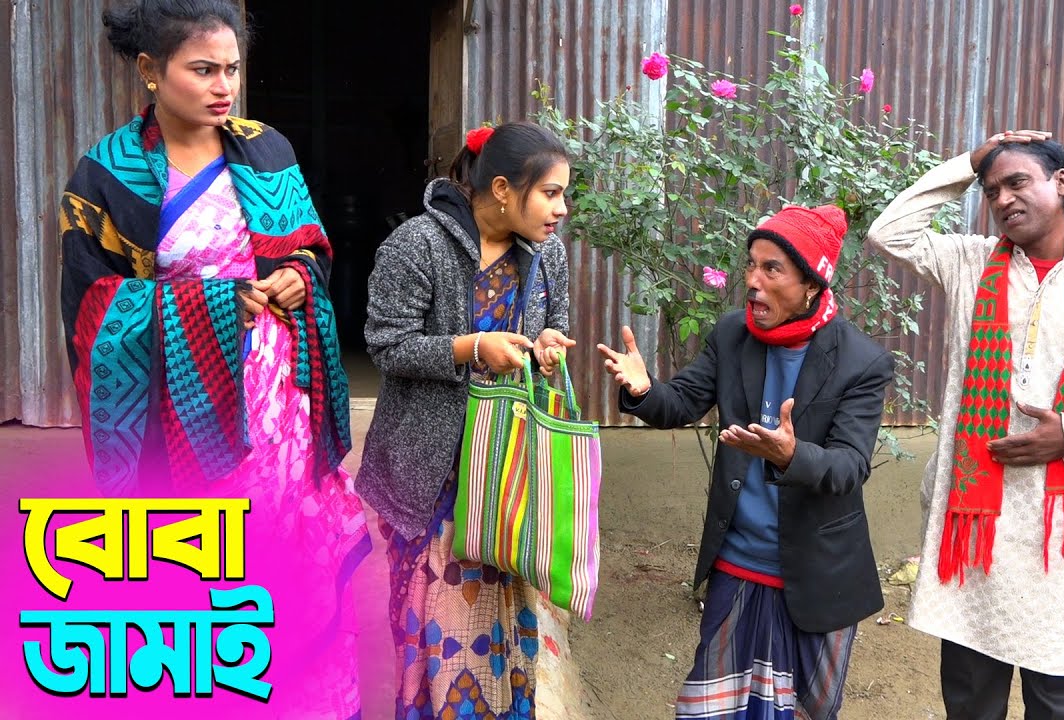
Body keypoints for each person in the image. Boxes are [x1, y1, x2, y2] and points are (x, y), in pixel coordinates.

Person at [60, 1, 369, 716]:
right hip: (182, 407)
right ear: (149, 71)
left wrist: (299, 271)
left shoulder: (265, 148)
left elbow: (309, 243)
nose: (222, 85)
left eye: (230, 69)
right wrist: (208, 306)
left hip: (279, 399)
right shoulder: (106, 175)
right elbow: (92, 310)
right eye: (202, 70)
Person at [865, 131, 1064, 719]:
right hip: (976, 522)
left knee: (1058, 697)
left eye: (1018, 182)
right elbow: (889, 232)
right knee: (970, 698)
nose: (1004, 198)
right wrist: (973, 160)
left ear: (1060, 184)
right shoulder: (969, 263)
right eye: (993, 191)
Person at [598, 205, 895, 719]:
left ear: (810, 284)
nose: (752, 282)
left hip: (818, 575)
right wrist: (644, 390)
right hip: (737, 565)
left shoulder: (860, 361)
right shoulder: (733, 336)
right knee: (716, 710)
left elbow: (849, 467)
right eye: (750, 266)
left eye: (771, 269)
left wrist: (791, 455)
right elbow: (683, 402)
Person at [357, 121, 575, 719]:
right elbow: (386, 344)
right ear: (502, 188)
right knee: (436, 633)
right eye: (551, 193)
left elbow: (545, 330)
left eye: (564, 193)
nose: (562, 208)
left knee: (511, 628)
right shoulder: (416, 245)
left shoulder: (548, 254)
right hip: (435, 478)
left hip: (508, 476)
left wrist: (546, 348)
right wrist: (471, 348)